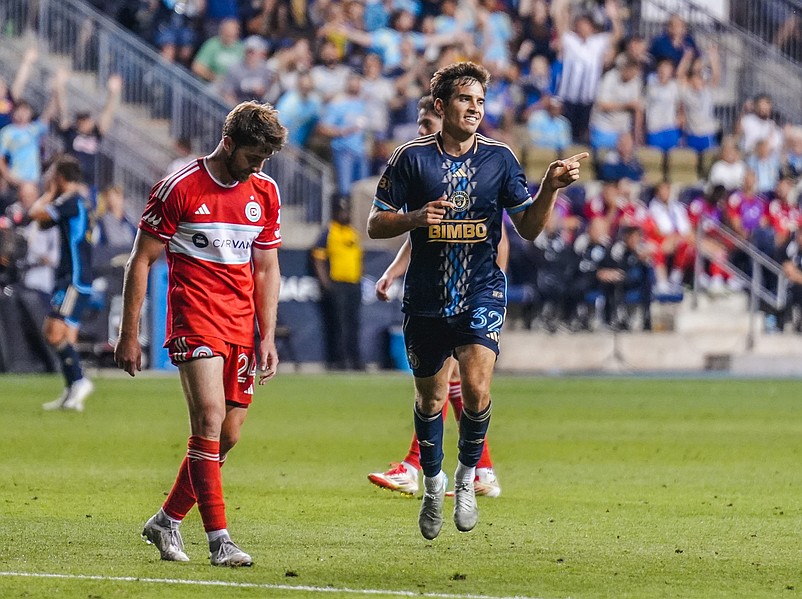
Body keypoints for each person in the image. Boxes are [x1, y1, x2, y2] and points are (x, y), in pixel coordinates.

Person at [367, 62, 586, 539]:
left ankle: (466, 479)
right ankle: (432, 484)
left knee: (478, 386)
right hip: (425, 296)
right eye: (466, 100)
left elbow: (527, 227)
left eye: (481, 102)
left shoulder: (501, 159)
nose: (475, 109)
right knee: (429, 398)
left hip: (481, 290)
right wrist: (415, 218)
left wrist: (549, 186)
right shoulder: (410, 158)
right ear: (441, 106)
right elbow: (375, 224)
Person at [114, 101, 287, 566]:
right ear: (228, 143)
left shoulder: (265, 192)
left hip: (240, 324)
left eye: (265, 160)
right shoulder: (180, 187)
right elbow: (142, 260)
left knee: (227, 435)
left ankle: (167, 520)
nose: (258, 167)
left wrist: (267, 336)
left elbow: (267, 267)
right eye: (253, 156)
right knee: (209, 420)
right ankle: (220, 540)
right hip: (194, 317)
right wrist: (129, 333)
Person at [368, 95, 503, 498]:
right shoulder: (424, 166)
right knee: (449, 382)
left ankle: (418, 466)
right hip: (441, 289)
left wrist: (490, 294)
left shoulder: (482, 167)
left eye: (427, 124)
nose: (422, 132)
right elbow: (426, 235)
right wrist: (394, 270)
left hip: (475, 290)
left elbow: (497, 239)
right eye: (420, 125)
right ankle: (483, 471)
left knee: (445, 383)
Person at [28, 155, 95, 411]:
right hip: (72, 277)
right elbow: (42, 223)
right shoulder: (79, 201)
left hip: (74, 278)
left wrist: (48, 193)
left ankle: (79, 381)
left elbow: (35, 213)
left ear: (59, 176)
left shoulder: (69, 200)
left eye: (51, 173)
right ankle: (71, 390)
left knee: (55, 333)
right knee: (56, 332)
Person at [311, 198, 365, 371]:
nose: (345, 214)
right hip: (337, 284)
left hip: (354, 284)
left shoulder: (353, 233)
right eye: (341, 211)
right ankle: (339, 361)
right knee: (339, 325)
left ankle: (355, 360)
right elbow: (317, 258)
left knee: (354, 323)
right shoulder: (328, 232)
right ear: (334, 212)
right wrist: (326, 284)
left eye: (347, 210)